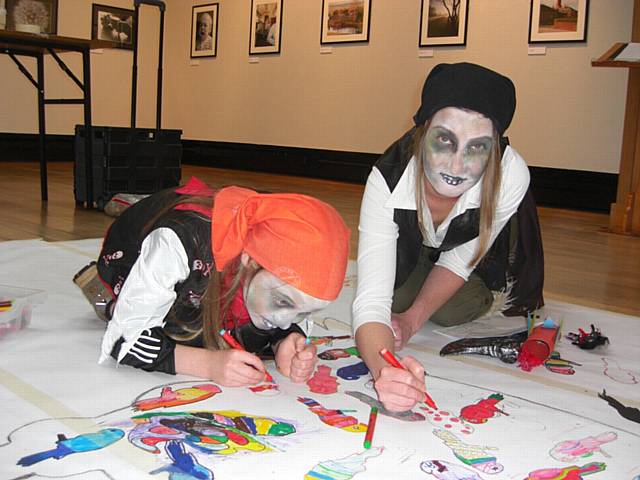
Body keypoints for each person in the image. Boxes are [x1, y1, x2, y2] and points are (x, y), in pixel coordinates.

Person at [352, 62, 544, 411]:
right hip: (418, 241)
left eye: (477, 148)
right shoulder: (387, 179)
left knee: (452, 309)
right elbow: (370, 304)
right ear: (423, 132)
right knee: (390, 304)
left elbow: (460, 259)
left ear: (495, 149)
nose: (456, 166)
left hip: (468, 248)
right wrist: (385, 371)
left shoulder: (511, 175)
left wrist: (412, 321)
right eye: (444, 141)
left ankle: (483, 291)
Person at [74, 178, 350, 387]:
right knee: (187, 330)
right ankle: (112, 300)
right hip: (132, 249)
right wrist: (208, 365)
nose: (283, 320)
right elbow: (123, 342)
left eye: (304, 312)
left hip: (220, 272)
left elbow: (281, 319)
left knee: (238, 328)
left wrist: (286, 341)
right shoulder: (179, 242)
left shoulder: (270, 284)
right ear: (250, 260)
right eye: (283, 302)